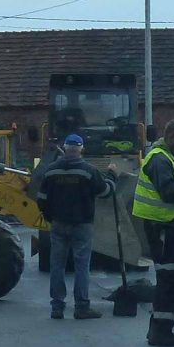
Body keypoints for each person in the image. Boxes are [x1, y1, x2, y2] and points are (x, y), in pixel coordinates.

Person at [29, 133, 111, 320]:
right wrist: (111, 175)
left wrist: (50, 217)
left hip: (58, 224)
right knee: (82, 265)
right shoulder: (89, 171)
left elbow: (41, 199)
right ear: (81, 149)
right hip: (82, 224)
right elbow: (105, 192)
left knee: (57, 265)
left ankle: (57, 307)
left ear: (65, 149)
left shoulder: (51, 171)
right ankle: (82, 307)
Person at [131, 120, 174, 347]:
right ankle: (160, 332)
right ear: (171, 138)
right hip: (161, 227)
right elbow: (169, 192)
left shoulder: (171, 158)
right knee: (169, 278)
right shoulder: (159, 159)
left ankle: (159, 329)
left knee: (172, 278)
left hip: (165, 226)